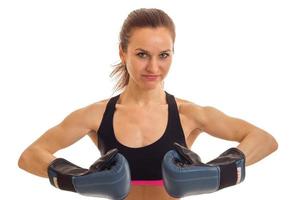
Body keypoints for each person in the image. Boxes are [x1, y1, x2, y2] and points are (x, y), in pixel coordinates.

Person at [18, 8, 278, 200]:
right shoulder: (97, 115)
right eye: (142, 54)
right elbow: (30, 156)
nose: (154, 67)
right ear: (123, 52)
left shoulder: (189, 114)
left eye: (163, 55)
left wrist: (217, 174)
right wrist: (76, 179)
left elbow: (264, 139)